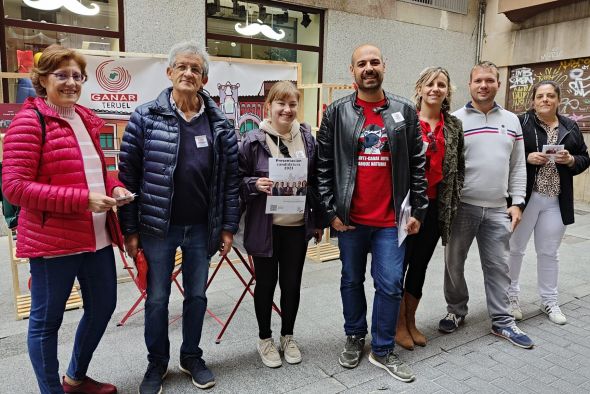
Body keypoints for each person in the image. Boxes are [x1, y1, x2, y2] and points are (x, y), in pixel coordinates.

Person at [2, 44, 133, 394]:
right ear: (42, 80)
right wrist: (82, 201)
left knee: (103, 306)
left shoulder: (85, 118)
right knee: (47, 323)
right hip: (53, 243)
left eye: (77, 76)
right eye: (61, 75)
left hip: (97, 238)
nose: (71, 82)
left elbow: (99, 173)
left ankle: (75, 378)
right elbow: (14, 188)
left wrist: (116, 188)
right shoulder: (29, 122)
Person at [118, 41, 239, 393]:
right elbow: (128, 177)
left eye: (196, 69)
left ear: (204, 79)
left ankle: (191, 356)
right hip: (158, 227)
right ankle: (156, 364)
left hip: (202, 227)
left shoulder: (219, 123)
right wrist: (130, 229)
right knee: (156, 298)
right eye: (182, 67)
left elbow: (230, 179)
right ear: (169, 72)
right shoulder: (145, 117)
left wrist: (228, 227)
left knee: (197, 297)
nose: (189, 73)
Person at [316, 44, 428, 383]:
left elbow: (418, 164)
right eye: (362, 63)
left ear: (384, 66)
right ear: (352, 71)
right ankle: (354, 336)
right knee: (351, 280)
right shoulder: (337, 112)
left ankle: (382, 349)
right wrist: (329, 211)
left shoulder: (404, 111)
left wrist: (419, 209)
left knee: (391, 284)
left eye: (374, 62)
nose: (369, 68)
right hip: (349, 219)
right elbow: (322, 166)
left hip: (391, 222)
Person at [440, 61, 534, 349]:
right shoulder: (455, 120)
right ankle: (456, 311)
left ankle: (503, 321)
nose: (484, 85)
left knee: (498, 266)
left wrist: (517, 202)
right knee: (453, 264)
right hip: (463, 207)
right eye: (478, 80)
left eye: (489, 80)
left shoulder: (512, 120)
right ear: (469, 85)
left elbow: (518, 166)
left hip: (496, 209)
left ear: (498, 84)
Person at [239, 80, 323, 368]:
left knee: (292, 284)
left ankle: (288, 336)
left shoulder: (308, 139)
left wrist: (318, 221)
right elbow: (234, 182)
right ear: (269, 107)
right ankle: (265, 338)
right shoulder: (252, 141)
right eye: (281, 103)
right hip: (266, 228)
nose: (287, 110)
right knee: (265, 284)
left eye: (292, 104)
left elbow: (316, 183)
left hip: (297, 227)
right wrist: (253, 183)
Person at [508, 80, 589, 325]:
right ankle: (510, 298)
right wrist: (526, 157)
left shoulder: (570, 126)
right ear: (533, 100)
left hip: (555, 200)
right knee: (514, 249)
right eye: (540, 96)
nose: (545, 100)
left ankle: (549, 301)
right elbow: (504, 151)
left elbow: (585, 157)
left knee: (549, 252)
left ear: (557, 100)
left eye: (550, 96)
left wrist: (571, 160)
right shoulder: (521, 122)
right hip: (525, 198)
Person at [395, 67, 464, 350]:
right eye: (430, 84)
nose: (435, 89)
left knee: (420, 265)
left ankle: (411, 321)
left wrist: (454, 198)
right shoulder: (404, 121)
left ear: (448, 91)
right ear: (420, 88)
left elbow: (459, 167)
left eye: (442, 85)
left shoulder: (454, 126)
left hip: (436, 206)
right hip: (407, 205)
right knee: (399, 264)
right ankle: (397, 323)